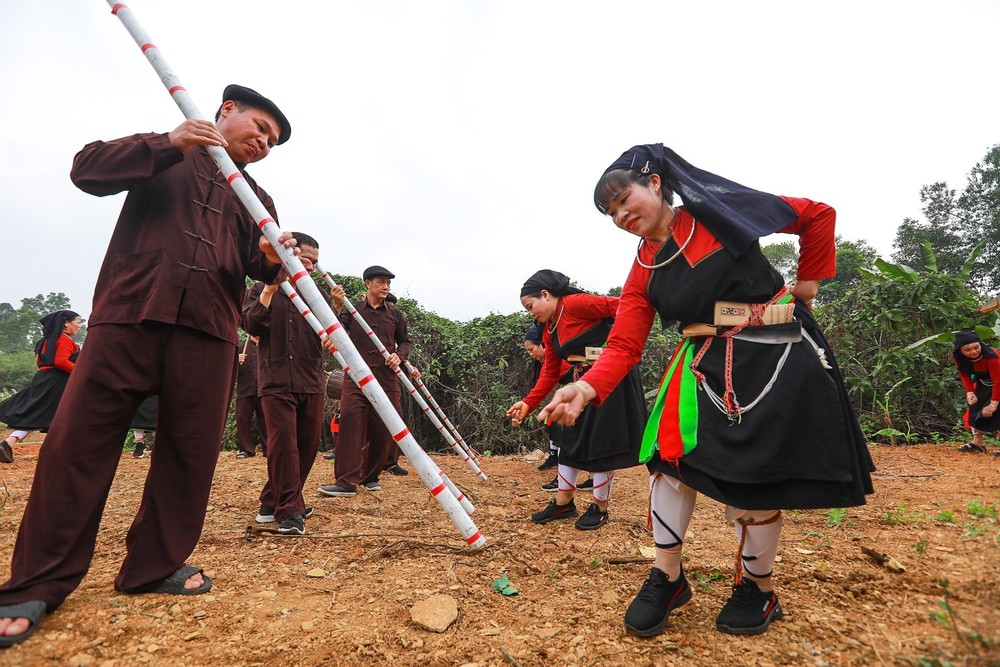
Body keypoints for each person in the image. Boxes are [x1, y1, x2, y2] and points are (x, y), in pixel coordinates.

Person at [0, 84, 299, 648]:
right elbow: (86, 170)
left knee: (189, 452)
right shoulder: (167, 151)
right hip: (128, 316)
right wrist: (167, 142)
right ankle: (36, 582)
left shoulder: (256, 197)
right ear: (226, 111)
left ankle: (153, 565)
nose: (262, 142)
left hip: (209, 333)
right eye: (259, 127)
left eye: (272, 142)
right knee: (78, 443)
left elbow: (256, 271)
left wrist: (268, 260)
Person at [538, 144, 875, 637]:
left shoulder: (719, 216)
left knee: (756, 480)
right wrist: (586, 389)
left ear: (655, 183)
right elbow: (625, 344)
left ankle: (757, 589)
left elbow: (816, 214)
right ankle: (667, 578)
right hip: (701, 367)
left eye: (624, 199)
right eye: (610, 212)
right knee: (670, 466)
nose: (620, 215)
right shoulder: (642, 270)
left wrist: (808, 284)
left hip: (774, 353)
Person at [507, 270, 647, 530]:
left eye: (531, 306)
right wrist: (528, 403)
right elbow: (550, 372)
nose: (531, 313)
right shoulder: (549, 329)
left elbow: (626, 307)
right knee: (568, 439)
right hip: (579, 383)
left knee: (602, 444)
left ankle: (599, 507)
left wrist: (615, 348)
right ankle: (564, 502)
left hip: (611, 381)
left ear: (546, 295)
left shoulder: (577, 304)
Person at [242, 233, 327, 535]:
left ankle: (270, 501)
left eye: (315, 262)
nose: (312, 267)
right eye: (307, 260)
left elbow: (331, 333)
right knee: (282, 446)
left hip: (312, 379)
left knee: (306, 446)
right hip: (275, 380)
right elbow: (251, 326)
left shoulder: (316, 294)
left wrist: (333, 335)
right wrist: (269, 289)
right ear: (288, 254)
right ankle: (290, 512)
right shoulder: (258, 288)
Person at [318, 266, 414, 497]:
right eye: (381, 282)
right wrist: (338, 306)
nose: (386, 287)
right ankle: (345, 482)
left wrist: (398, 356)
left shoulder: (395, 314)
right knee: (350, 424)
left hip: (386, 380)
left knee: (384, 429)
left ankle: (370, 476)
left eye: (388, 283)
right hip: (356, 378)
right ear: (367, 284)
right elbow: (338, 333)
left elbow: (405, 342)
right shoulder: (353, 310)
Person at [0, 310, 83, 463]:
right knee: (59, 414)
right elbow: (60, 362)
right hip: (56, 382)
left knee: (38, 414)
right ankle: (63, 452)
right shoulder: (64, 340)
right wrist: (81, 372)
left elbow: (39, 362)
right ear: (66, 323)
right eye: (78, 322)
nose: (80, 326)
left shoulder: (46, 340)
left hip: (43, 378)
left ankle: (8, 444)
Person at [952, 329, 1000, 455]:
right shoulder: (959, 358)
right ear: (960, 351)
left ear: (981, 345)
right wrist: (970, 392)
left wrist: (993, 404)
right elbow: (964, 374)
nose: (973, 352)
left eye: (976, 347)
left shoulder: (991, 356)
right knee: (974, 406)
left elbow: (998, 381)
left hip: (998, 381)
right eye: (967, 350)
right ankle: (978, 442)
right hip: (983, 382)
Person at [234, 335, 267, 459]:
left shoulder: (267, 347)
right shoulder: (241, 348)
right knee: (243, 420)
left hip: (263, 390)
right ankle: (246, 449)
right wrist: (236, 360)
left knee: (266, 421)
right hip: (245, 389)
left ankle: (268, 449)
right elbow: (228, 369)